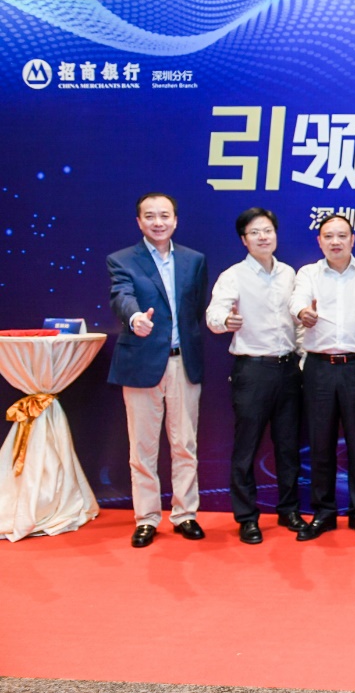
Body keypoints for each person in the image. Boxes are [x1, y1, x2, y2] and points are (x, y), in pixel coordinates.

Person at [107, 193, 208, 549]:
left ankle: (185, 514)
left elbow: (195, 309)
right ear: (139, 222)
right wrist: (135, 318)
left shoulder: (194, 260)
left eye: (164, 215)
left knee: (185, 444)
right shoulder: (122, 260)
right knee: (143, 448)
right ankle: (147, 518)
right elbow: (121, 296)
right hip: (141, 363)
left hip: (183, 362)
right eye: (150, 216)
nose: (158, 222)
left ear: (175, 220)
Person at [205, 207, 306, 545]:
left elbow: (297, 323)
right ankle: (247, 517)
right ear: (244, 240)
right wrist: (226, 321)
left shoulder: (289, 273)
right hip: (253, 370)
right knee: (246, 447)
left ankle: (289, 509)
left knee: (288, 445)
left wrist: (303, 358)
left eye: (268, 231)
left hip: (288, 368)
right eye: (255, 232)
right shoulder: (233, 276)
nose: (263, 237)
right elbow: (214, 313)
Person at [289, 214, 355, 542]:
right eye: (328, 236)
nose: (335, 242)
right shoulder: (308, 273)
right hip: (319, 367)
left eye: (342, 235)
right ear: (319, 241)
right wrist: (303, 313)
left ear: (353, 239)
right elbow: (297, 301)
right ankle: (324, 512)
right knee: (320, 443)